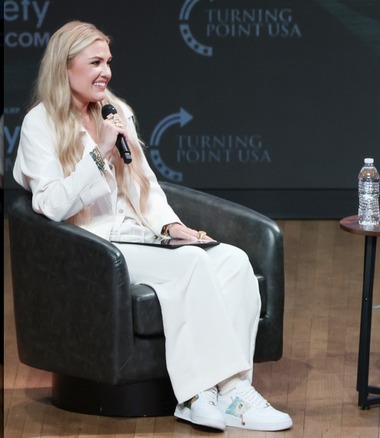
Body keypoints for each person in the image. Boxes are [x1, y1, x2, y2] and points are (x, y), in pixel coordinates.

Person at [12, 21, 292, 432]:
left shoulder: (114, 110)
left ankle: (233, 391)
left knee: (232, 260)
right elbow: (51, 206)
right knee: (192, 265)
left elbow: (146, 187)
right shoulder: (41, 124)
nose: (105, 72)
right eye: (94, 62)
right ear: (64, 66)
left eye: (108, 61)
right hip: (94, 248)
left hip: (137, 235)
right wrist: (99, 154)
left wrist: (172, 226)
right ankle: (196, 396)